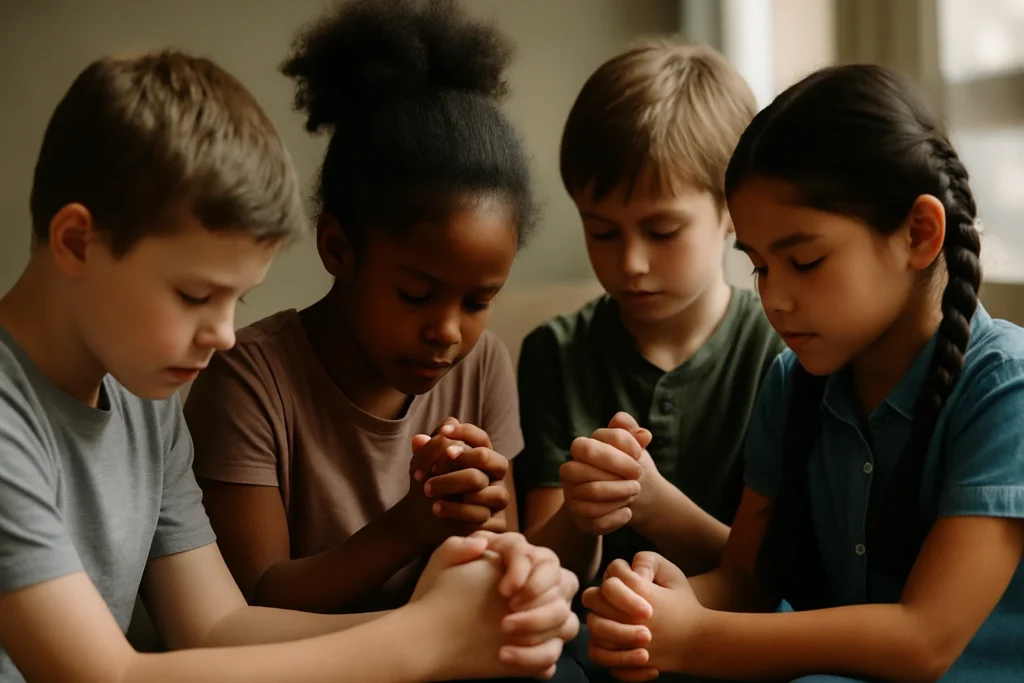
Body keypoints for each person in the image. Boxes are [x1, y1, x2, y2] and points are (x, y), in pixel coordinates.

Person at [0, 46, 578, 683]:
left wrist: (468, 618)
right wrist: (427, 637)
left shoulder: (144, 400)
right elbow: (105, 675)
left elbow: (219, 628)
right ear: (77, 243)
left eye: (237, 301)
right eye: (195, 295)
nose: (224, 335)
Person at [580, 64, 1024, 683]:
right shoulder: (792, 381)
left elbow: (924, 641)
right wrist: (648, 608)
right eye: (760, 267)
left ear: (919, 234)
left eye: (806, 261)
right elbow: (749, 579)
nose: (775, 299)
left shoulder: (1005, 388)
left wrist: (697, 636)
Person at [185, 0, 544, 624]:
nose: (448, 332)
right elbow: (254, 605)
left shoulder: (482, 364)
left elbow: (498, 570)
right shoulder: (249, 380)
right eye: (416, 294)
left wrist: (492, 530)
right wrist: (408, 527)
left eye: (479, 301)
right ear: (338, 248)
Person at [517, 39, 784, 590]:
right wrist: (581, 515)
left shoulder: (782, 353)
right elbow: (541, 572)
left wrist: (655, 505)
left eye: (662, 231)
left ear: (732, 211)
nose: (631, 263)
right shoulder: (555, 354)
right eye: (602, 232)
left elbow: (780, 577)